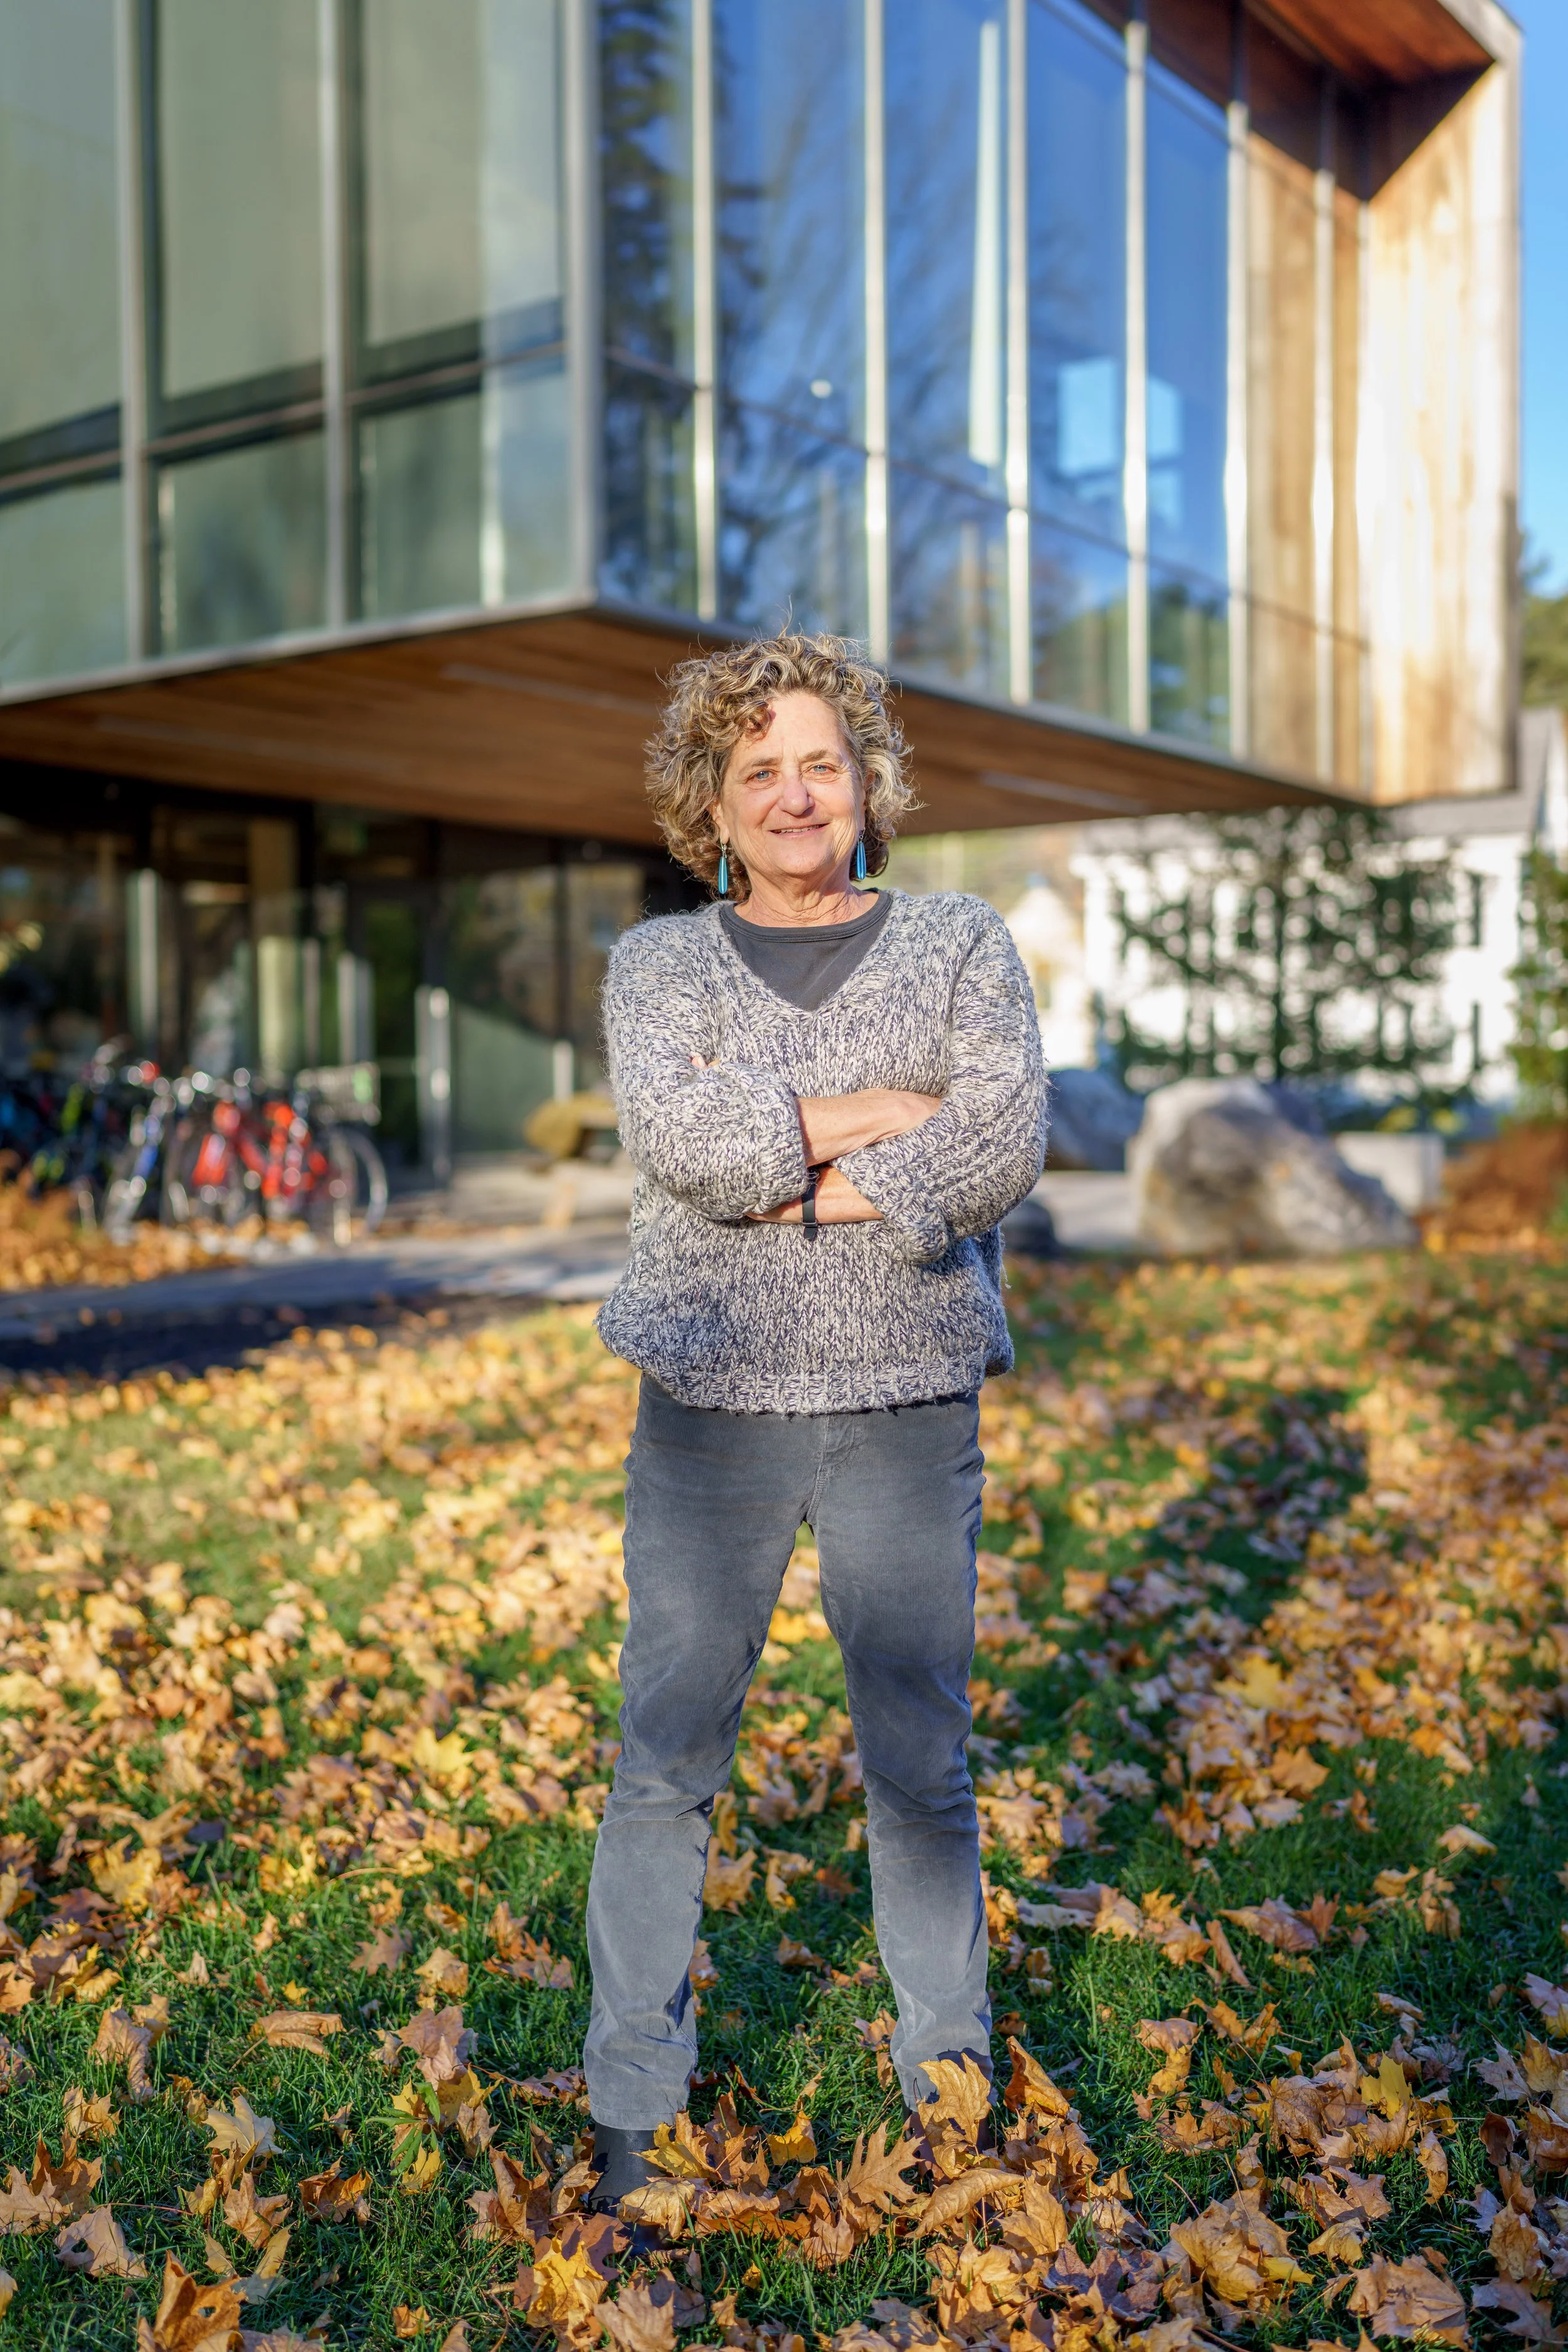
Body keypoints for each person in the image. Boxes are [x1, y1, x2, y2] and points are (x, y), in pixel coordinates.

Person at [583, 631, 1049, 2210]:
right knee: (665, 1763)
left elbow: (998, 1140)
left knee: (918, 1764)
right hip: (709, 1410)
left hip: (905, 1403)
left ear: (868, 787)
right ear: (707, 803)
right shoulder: (654, 966)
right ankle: (631, 2093)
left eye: (819, 764)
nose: (793, 793)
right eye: (756, 768)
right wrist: (875, 1121)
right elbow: (686, 1148)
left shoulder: (963, 940)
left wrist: (786, 1159)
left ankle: (951, 2080)